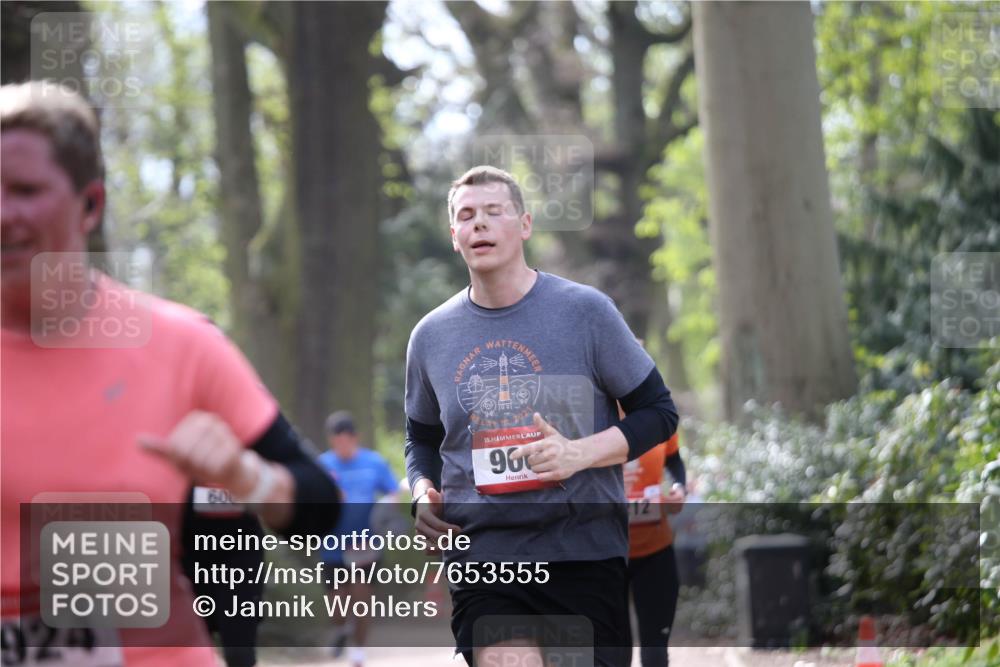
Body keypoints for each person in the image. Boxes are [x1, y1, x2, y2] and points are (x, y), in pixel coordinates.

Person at [1, 81, 340, 667]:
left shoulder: (179, 345)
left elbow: (318, 505)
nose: (3, 214)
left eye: (25, 191)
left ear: (90, 205)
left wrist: (245, 475)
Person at [404, 165, 679, 666]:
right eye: (466, 216)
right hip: (483, 555)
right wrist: (422, 491)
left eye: (494, 212)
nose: (479, 224)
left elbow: (658, 412)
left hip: (583, 551)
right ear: (454, 237)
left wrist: (579, 453)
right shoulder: (431, 336)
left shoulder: (586, 313)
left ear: (525, 224)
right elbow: (420, 439)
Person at [317, 411, 398, 667]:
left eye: (347, 439)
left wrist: (384, 513)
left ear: (356, 438)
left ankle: (359, 652)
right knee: (338, 605)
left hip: (366, 544)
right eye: (337, 440)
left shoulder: (373, 462)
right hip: (332, 546)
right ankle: (341, 630)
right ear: (332, 440)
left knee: (361, 600)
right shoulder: (322, 465)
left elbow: (393, 493)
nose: (343, 445)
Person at [625, 432, 687, 667]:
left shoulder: (656, 410)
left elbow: (674, 459)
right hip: (605, 555)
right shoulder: (590, 414)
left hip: (655, 551)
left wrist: (679, 489)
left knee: (655, 649)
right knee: (612, 648)